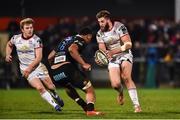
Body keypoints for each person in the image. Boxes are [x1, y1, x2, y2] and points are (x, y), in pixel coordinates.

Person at [5, 18, 64, 112]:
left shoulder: (36, 40)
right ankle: (55, 106)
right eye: (27, 28)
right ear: (22, 29)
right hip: (26, 70)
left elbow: (39, 57)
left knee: (50, 87)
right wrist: (8, 54)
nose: (30, 30)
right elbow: (9, 44)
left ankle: (55, 94)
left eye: (31, 27)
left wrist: (29, 68)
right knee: (40, 88)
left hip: (38, 67)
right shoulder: (16, 38)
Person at [48, 27, 103, 116]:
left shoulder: (65, 40)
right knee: (89, 89)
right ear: (88, 36)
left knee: (68, 86)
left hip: (54, 73)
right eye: (90, 37)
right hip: (66, 68)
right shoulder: (80, 40)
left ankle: (85, 107)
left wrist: (54, 68)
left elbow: (50, 57)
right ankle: (90, 110)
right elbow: (72, 49)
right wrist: (83, 64)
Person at [95, 10, 142, 113]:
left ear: (108, 19)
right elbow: (102, 50)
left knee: (126, 77)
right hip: (113, 58)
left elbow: (128, 44)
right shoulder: (99, 34)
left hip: (125, 54)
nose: (100, 24)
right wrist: (101, 58)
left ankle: (137, 106)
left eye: (102, 21)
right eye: (99, 22)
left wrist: (113, 51)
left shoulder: (119, 26)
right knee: (115, 84)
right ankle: (120, 92)